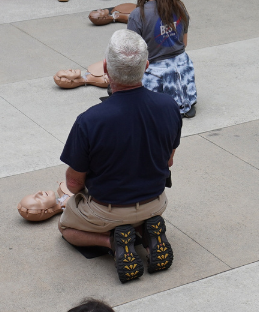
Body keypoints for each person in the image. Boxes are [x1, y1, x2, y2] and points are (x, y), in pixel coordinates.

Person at [59, 30, 181, 283]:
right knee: (137, 215)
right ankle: (145, 234)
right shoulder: (169, 106)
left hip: (108, 209)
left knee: (66, 228)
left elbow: (73, 184)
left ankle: (112, 242)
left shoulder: (89, 120)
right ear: (146, 66)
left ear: (105, 67)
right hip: (155, 201)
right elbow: (168, 161)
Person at [126, 0, 199, 118]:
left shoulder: (138, 15)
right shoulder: (180, 8)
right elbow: (184, 44)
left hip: (155, 79)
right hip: (184, 80)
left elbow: (132, 56)